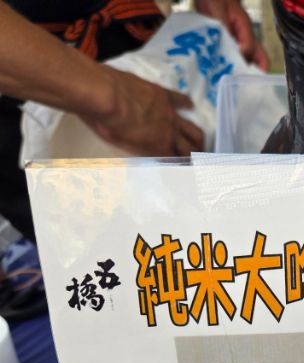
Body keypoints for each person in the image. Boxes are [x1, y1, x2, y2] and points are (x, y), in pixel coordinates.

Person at [0, 0, 268, 241]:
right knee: (102, 247)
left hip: (134, 42)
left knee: (193, 221)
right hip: (24, 76)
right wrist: (113, 99)